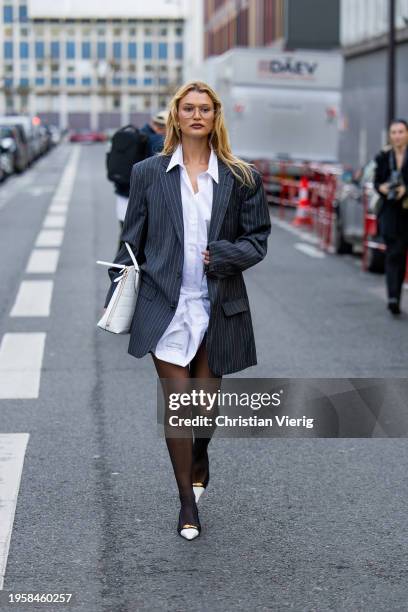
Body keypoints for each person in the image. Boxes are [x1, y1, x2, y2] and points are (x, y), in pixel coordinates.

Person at [101, 81, 271, 540]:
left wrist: (225, 255)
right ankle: (185, 504)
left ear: (216, 117)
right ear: (175, 115)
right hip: (165, 306)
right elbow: (131, 239)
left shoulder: (242, 177)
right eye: (188, 108)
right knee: (178, 405)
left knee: (203, 408)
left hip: (218, 305)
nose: (197, 115)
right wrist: (118, 288)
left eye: (205, 109)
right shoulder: (147, 173)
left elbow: (257, 241)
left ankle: (201, 452)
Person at [374, 119, 408, 315]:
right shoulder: (383, 156)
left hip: (406, 211)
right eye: (394, 132)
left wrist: (406, 189)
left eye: (401, 132)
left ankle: (396, 294)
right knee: (393, 253)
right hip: (390, 213)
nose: (397, 135)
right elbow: (376, 181)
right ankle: (393, 297)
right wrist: (383, 188)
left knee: (401, 253)